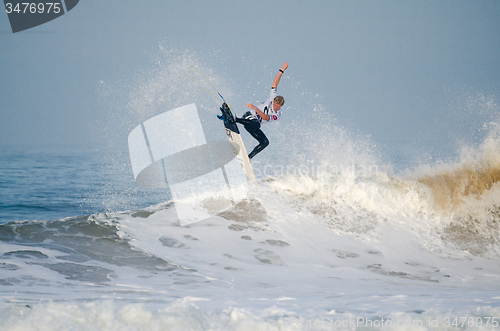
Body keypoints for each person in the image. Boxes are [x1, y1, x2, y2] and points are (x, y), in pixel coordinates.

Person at [221, 62, 288, 161]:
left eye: (279, 107)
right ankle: (234, 119)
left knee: (265, 142)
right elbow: (275, 83)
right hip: (248, 117)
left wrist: (255, 108)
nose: (276, 108)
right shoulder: (272, 97)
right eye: (276, 105)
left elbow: (265, 118)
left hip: (252, 125)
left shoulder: (277, 115)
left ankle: (249, 157)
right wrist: (282, 70)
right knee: (256, 124)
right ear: (274, 101)